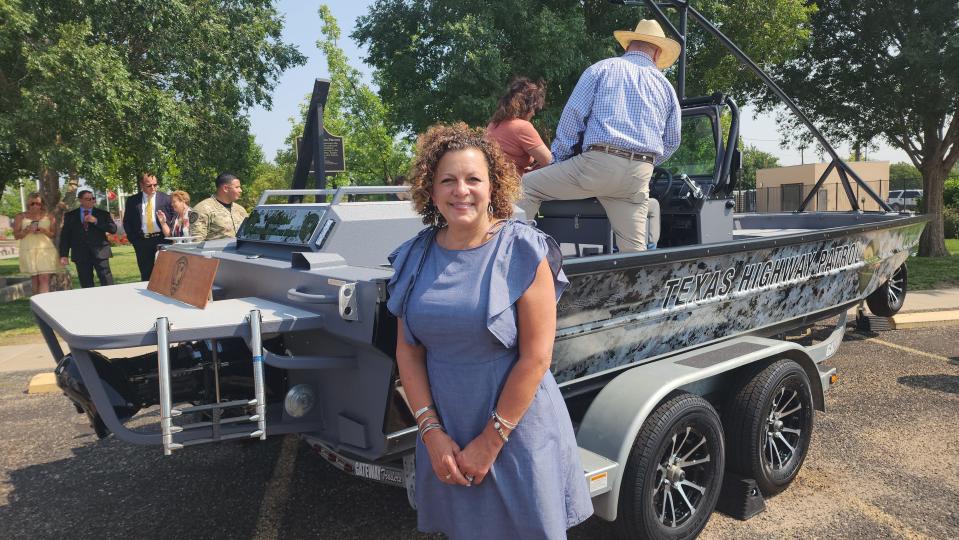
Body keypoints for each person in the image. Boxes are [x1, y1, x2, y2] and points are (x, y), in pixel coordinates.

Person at [386, 123, 592, 538]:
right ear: (430, 189)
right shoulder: (414, 256)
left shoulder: (523, 248)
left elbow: (537, 357)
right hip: (446, 430)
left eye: (472, 179)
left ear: (494, 185)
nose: (460, 190)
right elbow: (408, 351)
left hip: (515, 429)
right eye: (448, 180)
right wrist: (430, 433)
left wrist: (490, 441)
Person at [517, 19, 682, 253]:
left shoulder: (603, 68)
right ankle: (635, 287)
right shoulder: (666, 87)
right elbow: (673, 140)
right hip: (638, 177)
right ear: (657, 54)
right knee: (634, 253)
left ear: (628, 47)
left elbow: (572, 117)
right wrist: (645, 163)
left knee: (524, 187)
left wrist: (559, 161)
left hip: (598, 165)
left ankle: (517, 257)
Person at [485, 77, 552, 175]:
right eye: (534, 109)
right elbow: (550, 162)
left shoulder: (493, 124)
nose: (533, 114)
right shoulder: (522, 127)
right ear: (526, 106)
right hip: (510, 184)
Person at [59, 190, 116, 288]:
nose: (91, 201)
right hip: (80, 253)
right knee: (86, 282)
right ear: (80, 200)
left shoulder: (103, 214)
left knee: (106, 279)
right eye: (88, 199)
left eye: (93, 198)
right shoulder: (70, 216)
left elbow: (113, 229)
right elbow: (65, 237)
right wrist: (64, 255)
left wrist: (96, 221)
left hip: (100, 252)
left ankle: (110, 299)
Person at [123, 172, 174, 280]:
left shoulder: (166, 199)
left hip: (163, 240)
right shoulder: (133, 200)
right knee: (146, 275)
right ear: (141, 185)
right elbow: (127, 221)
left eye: (155, 185)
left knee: (166, 274)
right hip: (142, 242)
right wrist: (134, 240)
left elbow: (174, 219)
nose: (153, 188)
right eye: (149, 185)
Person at [12, 193, 59, 294]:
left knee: (44, 278)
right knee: (35, 279)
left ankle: (44, 304)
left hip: (46, 250)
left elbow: (53, 235)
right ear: (28, 203)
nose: (35, 206)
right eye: (32, 203)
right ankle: (36, 304)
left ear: (42, 204)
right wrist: (26, 231)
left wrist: (43, 230)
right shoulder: (20, 216)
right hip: (29, 249)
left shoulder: (49, 216)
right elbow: (16, 236)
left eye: (38, 203)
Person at [191, 172, 248, 241]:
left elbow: (248, 235)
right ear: (225, 188)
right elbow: (196, 241)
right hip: (214, 251)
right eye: (237, 187)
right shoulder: (202, 209)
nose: (240, 190)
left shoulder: (240, 210)